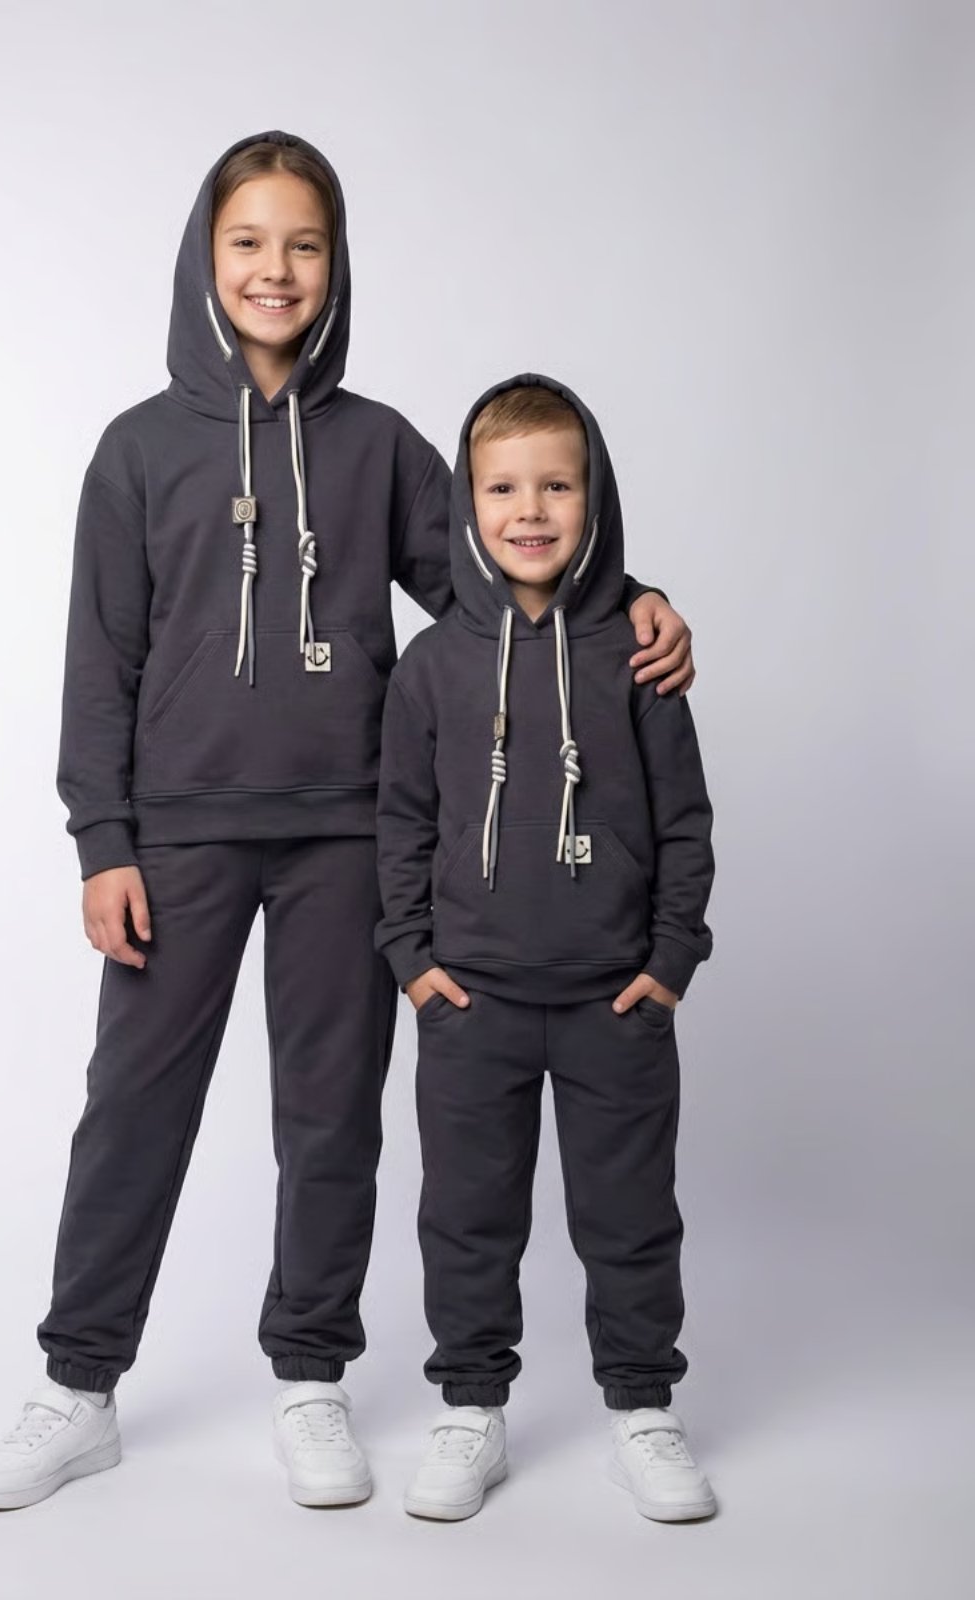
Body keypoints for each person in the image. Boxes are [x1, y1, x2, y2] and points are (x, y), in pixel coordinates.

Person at [0, 136, 695, 1512]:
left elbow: (502, 568)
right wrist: (101, 839)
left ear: (334, 263)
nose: (275, 269)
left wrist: (633, 597)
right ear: (205, 256)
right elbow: (98, 659)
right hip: (177, 834)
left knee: (329, 1120)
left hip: (345, 837)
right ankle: (78, 1387)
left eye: (303, 244)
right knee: (132, 1107)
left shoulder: (377, 447)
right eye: (248, 241)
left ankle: (310, 1379)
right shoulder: (135, 451)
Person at [375, 376, 715, 1523]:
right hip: (469, 1003)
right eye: (503, 488)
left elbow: (683, 822)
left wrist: (669, 962)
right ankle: (471, 1408)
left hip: (616, 1003)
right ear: (467, 504)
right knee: (466, 1218)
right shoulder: (431, 665)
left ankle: (643, 1408)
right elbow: (400, 823)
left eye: (556, 485)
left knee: (630, 1214)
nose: (530, 509)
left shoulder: (640, 653)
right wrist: (411, 960)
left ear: (593, 495)